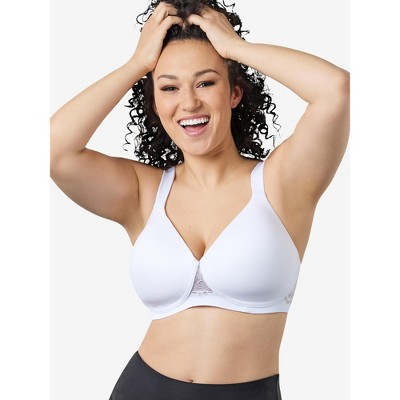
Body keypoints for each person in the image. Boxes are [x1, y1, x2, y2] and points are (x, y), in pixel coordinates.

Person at [50, 0, 349, 398]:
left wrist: (234, 48)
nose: (189, 102)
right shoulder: (143, 193)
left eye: (206, 83)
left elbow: (335, 90)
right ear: (155, 104)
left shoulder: (282, 182)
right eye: (169, 87)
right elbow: (54, 150)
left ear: (234, 93)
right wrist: (137, 64)